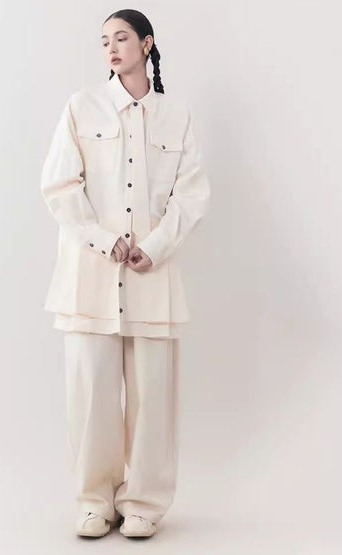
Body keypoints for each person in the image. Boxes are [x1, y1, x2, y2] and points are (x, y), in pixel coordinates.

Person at [40, 9, 211, 539]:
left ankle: (144, 504)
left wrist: (154, 248)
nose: (111, 48)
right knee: (91, 396)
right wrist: (102, 238)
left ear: (147, 44)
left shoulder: (175, 116)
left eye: (121, 38)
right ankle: (95, 501)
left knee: (152, 398)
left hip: (151, 280)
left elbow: (191, 194)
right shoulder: (81, 107)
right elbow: (60, 185)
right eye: (104, 41)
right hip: (90, 279)